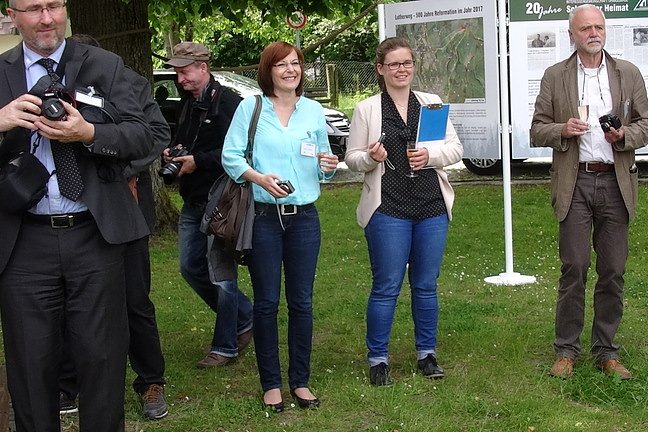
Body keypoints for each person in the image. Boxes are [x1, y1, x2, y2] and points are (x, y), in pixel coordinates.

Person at [0, 1, 153, 432]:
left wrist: (89, 134)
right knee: (30, 369)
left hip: (94, 235)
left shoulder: (104, 65)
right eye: (33, 9)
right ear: (12, 14)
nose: (46, 19)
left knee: (103, 363)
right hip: (22, 241)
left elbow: (144, 133)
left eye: (55, 6)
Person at [530, 4, 648, 380]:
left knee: (613, 269)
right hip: (576, 181)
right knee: (575, 266)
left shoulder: (627, 73)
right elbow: (537, 129)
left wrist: (624, 136)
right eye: (585, 28)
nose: (593, 33)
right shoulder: (556, 75)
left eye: (598, 27)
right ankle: (566, 350)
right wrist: (562, 130)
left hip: (616, 181)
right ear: (572, 34)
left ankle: (606, 351)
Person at [56, 34, 171, 420]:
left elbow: (155, 135)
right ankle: (68, 385)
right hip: (68, 215)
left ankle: (151, 380)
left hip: (121, 207)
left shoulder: (127, 81)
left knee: (133, 299)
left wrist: (121, 173)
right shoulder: (49, 83)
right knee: (69, 305)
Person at [222, 41, 337, 412]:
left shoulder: (313, 110)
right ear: (268, 71)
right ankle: (271, 384)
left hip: (304, 218)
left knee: (302, 302)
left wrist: (328, 166)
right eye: (282, 64)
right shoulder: (250, 107)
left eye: (296, 63)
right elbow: (230, 156)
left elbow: (322, 161)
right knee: (267, 302)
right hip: (264, 218)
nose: (291, 69)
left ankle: (300, 381)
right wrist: (258, 178)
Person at [345, 37, 463, 386]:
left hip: (431, 206)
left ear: (414, 66)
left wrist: (432, 156)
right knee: (386, 286)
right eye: (394, 64)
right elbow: (352, 159)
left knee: (426, 285)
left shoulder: (432, 104)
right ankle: (378, 359)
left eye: (407, 63)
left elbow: (455, 148)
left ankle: (427, 354)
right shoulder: (368, 109)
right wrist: (371, 158)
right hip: (388, 207)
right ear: (381, 69)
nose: (401, 70)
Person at [164, 41, 254, 368]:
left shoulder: (230, 103)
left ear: (203, 67)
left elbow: (242, 153)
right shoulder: (187, 103)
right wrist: (174, 152)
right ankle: (245, 317)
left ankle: (226, 346)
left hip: (223, 201)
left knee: (222, 275)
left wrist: (197, 161)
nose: (180, 78)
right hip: (193, 198)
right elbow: (187, 141)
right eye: (177, 72)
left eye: (185, 71)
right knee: (190, 267)